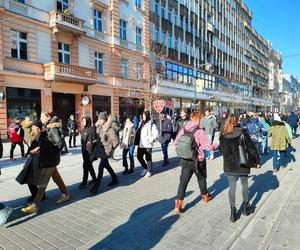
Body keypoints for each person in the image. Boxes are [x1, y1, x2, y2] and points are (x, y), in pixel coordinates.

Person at [21, 112, 70, 214]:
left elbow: (59, 144)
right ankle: (66, 194)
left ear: (48, 117)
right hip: (49, 158)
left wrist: (42, 149)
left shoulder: (52, 128)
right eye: (40, 116)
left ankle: (35, 205)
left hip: (50, 160)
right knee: (57, 178)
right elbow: (46, 143)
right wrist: (39, 148)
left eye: (43, 116)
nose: (41, 118)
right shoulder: (46, 127)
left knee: (43, 183)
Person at [174, 112, 218, 213]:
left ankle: (178, 204)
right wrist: (216, 146)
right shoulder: (200, 131)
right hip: (198, 160)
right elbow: (208, 147)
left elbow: (176, 141)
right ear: (198, 120)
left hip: (185, 159)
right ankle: (205, 196)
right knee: (202, 178)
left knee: (183, 181)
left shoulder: (184, 128)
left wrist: (184, 150)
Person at [219, 114, 260, 222]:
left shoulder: (223, 133)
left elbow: (221, 149)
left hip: (229, 163)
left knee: (231, 187)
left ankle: (233, 212)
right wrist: (257, 161)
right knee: (244, 184)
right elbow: (251, 148)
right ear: (237, 121)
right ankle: (246, 208)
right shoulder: (242, 132)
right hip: (242, 163)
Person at [90, 112, 119, 194]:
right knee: (106, 166)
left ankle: (96, 187)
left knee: (100, 168)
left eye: (101, 119)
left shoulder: (109, 129)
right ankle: (115, 178)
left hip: (106, 152)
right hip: (101, 151)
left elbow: (116, 141)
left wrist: (111, 149)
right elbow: (96, 134)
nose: (99, 120)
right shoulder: (100, 127)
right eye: (99, 119)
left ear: (105, 119)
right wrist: (96, 125)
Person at [20, 121, 44, 203]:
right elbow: (28, 143)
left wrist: (37, 149)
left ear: (38, 128)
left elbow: (43, 146)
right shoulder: (33, 134)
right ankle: (39, 194)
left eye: (34, 127)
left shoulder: (41, 135)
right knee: (31, 178)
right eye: (32, 127)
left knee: (30, 178)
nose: (32, 128)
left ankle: (37, 195)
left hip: (36, 159)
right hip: (32, 158)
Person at [135, 110, 159, 178]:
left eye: (144, 115)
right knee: (139, 157)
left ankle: (149, 171)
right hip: (141, 144)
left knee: (148, 158)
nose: (143, 116)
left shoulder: (151, 124)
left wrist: (149, 140)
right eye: (142, 115)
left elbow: (156, 134)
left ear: (148, 116)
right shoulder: (141, 123)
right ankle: (145, 168)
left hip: (148, 144)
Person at [80, 117, 97, 189]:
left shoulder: (92, 129)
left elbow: (95, 141)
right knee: (89, 165)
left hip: (90, 152)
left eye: (84, 121)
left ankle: (84, 182)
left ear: (88, 121)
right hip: (84, 151)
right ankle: (94, 179)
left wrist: (91, 145)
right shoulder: (83, 130)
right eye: (82, 121)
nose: (83, 122)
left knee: (85, 166)